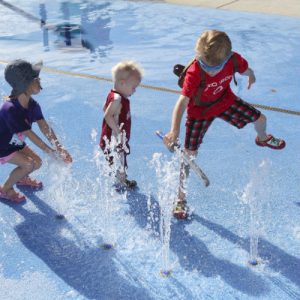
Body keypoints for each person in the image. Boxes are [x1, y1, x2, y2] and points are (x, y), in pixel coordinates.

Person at [164, 29, 285, 219]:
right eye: (205, 65)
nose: (210, 70)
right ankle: (180, 198)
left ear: (227, 57)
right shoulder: (195, 72)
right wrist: (174, 130)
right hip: (199, 112)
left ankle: (262, 138)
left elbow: (245, 69)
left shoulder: (234, 60)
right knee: (188, 156)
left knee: (261, 119)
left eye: (215, 67)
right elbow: (181, 103)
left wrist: (251, 74)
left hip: (224, 101)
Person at [0, 59, 72, 203]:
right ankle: (5, 189)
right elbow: (30, 135)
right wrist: (52, 153)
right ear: (23, 84)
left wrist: (59, 147)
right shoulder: (10, 109)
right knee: (28, 164)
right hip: (3, 148)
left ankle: (21, 178)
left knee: (37, 163)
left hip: (16, 145)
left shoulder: (32, 105)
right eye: (35, 78)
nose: (39, 80)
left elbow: (44, 127)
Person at [99, 60, 143, 188]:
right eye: (133, 87)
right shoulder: (118, 99)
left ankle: (120, 179)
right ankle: (121, 182)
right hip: (114, 137)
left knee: (119, 159)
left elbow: (104, 107)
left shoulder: (114, 95)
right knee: (119, 160)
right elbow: (107, 115)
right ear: (123, 83)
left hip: (115, 137)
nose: (134, 91)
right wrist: (117, 131)